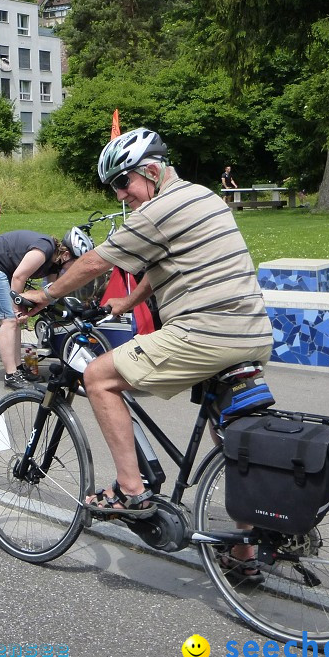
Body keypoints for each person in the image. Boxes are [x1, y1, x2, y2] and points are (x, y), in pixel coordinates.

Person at [20, 127, 271, 541]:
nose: (120, 194)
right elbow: (169, 266)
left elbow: (95, 263)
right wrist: (128, 302)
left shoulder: (158, 210)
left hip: (203, 334)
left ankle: (129, 491)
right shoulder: (203, 196)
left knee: (99, 376)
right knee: (228, 435)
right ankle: (244, 552)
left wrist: (44, 295)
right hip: (250, 335)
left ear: (152, 170)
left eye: (124, 181)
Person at [0, 227, 92, 390]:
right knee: (10, 320)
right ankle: (11, 375)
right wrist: (18, 308)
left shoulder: (56, 265)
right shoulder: (44, 250)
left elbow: (49, 293)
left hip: (2, 269)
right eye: (77, 264)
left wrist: (34, 311)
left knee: (16, 321)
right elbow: (19, 277)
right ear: (67, 255)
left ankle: (19, 368)